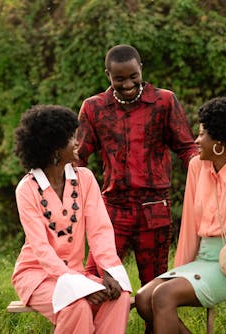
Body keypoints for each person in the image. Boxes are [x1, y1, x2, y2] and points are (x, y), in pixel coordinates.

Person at [135, 97, 226, 333]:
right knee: (143, 298)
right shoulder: (197, 167)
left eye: (202, 135)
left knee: (163, 296)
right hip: (202, 260)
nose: (196, 141)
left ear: (220, 142)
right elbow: (190, 226)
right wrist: (181, 273)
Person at [76, 44, 199, 287]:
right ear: (108, 75)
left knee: (154, 287)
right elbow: (78, 157)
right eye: (119, 79)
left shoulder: (164, 101)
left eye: (133, 76)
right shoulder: (94, 107)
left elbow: (187, 147)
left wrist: (204, 174)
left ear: (141, 69)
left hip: (154, 207)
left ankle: (155, 326)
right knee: (96, 278)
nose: (128, 84)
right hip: (112, 208)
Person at [11, 105, 132, 334]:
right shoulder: (26, 189)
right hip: (36, 276)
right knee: (77, 306)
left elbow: (100, 232)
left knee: (119, 297)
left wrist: (108, 271)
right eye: (70, 138)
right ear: (54, 149)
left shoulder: (85, 179)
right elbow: (40, 248)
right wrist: (78, 286)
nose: (77, 142)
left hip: (75, 275)